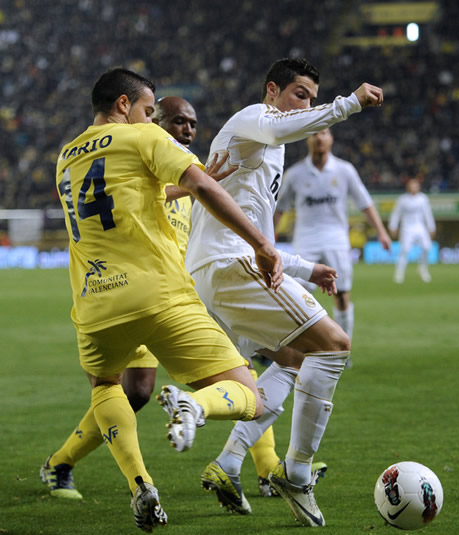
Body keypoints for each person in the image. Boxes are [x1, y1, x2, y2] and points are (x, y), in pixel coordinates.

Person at [43, 67, 284, 533]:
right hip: (158, 292)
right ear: (123, 106)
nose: (152, 120)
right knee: (246, 389)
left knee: (110, 387)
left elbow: (129, 195)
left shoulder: (65, 157)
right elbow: (201, 187)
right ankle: (201, 415)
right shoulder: (145, 141)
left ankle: (140, 485)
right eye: (149, 112)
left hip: (94, 303)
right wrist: (262, 244)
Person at [184, 57, 383, 527]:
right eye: (299, 94)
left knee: (292, 360)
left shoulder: (270, 154)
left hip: (222, 270)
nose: (307, 105)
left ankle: (230, 463)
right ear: (272, 90)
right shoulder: (253, 120)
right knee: (334, 346)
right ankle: (295, 472)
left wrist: (308, 267)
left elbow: (264, 240)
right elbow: (290, 128)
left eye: (312, 98)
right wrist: (348, 103)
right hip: (229, 266)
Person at [275, 128, 392, 367]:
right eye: (314, 133)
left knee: (342, 294)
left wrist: (381, 232)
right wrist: (267, 240)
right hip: (305, 240)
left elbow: (365, 203)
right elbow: (279, 209)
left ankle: (341, 352)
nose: (319, 137)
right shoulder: (295, 174)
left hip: (337, 239)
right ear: (307, 139)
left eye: (324, 133)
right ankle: (296, 348)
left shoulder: (345, 170)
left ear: (331, 139)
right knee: (296, 295)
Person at [388, 178, 436, 283]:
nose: (415, 187)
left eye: (416, 185)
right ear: (408, 187)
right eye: (412, 185)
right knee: (404, 250)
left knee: (427, 247)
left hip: (420, 227)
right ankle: (399, 273)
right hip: (407, 228)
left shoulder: (423, 199)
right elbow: (396, 214)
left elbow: (428, 214)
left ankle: (423, 269)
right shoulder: (403, 199)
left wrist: (431, 227)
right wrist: (393, 226)